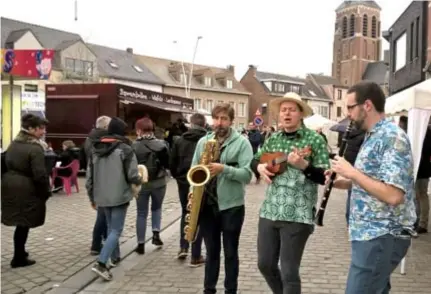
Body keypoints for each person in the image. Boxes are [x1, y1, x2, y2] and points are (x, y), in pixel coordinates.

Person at [329, 81, 416, 293]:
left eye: (350, 107)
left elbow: (394, 195)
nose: (348, 113)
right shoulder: (372, 135)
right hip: (369, 234)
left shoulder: (392, 137)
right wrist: (341, 181)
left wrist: (352, 172)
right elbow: (373, 182)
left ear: (367, 105)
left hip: (382, 234)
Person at [251, 92, 330, 294]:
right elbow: (255, 160)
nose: (287, 114)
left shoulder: (315, 140)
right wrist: (259, 168)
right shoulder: (273, 138)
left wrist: (304, 165)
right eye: (284, 110)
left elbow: (325, 177)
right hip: (269, 211)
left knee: (289, 272)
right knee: (265, 264)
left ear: (301, 114)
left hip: (299, 213)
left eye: (292, 110)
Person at [191, 103, 253, 294]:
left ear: (231, 121)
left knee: (230, 252)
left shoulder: (242, 143)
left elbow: (248, 174)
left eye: (224, 119)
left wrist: (223, 169)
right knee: (211, 252)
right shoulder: (203, 142)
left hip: (232, 206)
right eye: (216, 118)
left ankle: (230, 290)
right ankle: (209, 289)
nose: (219, 123)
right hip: (207, 205)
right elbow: (194, 170)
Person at [86, 117, 142, 281]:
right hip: (119, 195)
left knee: (111, 228)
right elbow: (132, 175)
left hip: (101, 195)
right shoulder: (125, 149)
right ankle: (101, 263)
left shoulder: (95, 148)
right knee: (116, 230)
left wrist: (92, 197)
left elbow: (89, 178)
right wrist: (140, 179)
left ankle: (112, 257)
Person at [1, 114, 51, 268]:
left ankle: (20, 252)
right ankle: (18, 257)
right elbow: (40, 174)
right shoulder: (35, 148)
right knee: (24, 223)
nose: (43, 132)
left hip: (10, 185)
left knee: (21, 221)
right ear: (30, 129)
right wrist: (45, 192)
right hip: (27, 188)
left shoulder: (14, 143)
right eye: (40, 128)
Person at [170, 113, 207, 266]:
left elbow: (172, 162)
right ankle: (196, 255)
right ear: (204, 125)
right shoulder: (207, 140)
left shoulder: (180, 140)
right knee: (199, 215)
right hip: (202, 181)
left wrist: (178, 176)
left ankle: (183, 246)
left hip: (183, 181)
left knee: (186, 212)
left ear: (190, 124)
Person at [132, 117, 170, 255]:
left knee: (141, 213)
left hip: (142, 182)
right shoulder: (162, 144)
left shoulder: (133, 146)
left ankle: (140, 244)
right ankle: (156, 234)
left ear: (138, 130)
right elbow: (167, 163)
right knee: (157, 209)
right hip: (159, 182)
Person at [85, 116, 111, 256]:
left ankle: (104, 240)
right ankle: (96, 244)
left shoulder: (89, 139)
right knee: (102, 215)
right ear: (106, 127)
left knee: (102, 214)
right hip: (103, 183)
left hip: (95, 182)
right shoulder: (104, 141)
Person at [343, 125, 365, 224]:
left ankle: (348, 218)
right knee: (354, 192)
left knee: (350, 193)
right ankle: (351, 220)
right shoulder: (363, 136)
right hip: (357, 166)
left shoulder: (351, 135)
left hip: (350, 164)